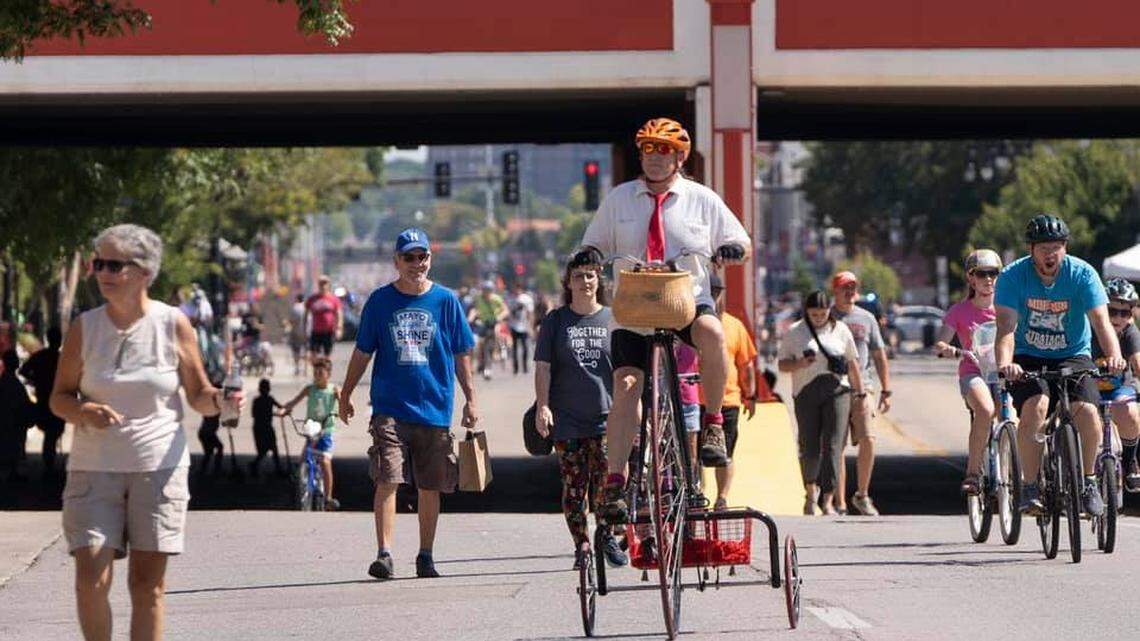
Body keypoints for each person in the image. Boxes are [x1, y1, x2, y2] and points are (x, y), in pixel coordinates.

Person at [49, 223, 239, 641]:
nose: (103, 272)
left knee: (146, 587)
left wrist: (223, 403)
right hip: (93, 470)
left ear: (145, 272)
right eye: (99, 263)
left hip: (159, 468)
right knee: (90, 576)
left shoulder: (173, 325)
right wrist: (84, 411)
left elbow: (199, 395)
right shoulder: (85, 327)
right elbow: (58, 398)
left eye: (114, 264)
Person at [576, 117, 750, 522]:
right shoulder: (619, 198)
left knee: (711, 332)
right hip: (634, 310)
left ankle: (711, 426)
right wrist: (588, 256)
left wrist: (729, 250)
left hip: (684, 302)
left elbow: (742, 241)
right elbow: (592, 243)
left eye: (664, 150)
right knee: (626, 386)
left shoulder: (701, 198)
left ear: (679, 157)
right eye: (648, 150)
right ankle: (616, 483)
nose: (654, 158)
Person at [338, 227, 477, 581]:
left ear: (430, 258)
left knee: (431, 485)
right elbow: (363, 351)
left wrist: (471, 400)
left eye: (423, 256)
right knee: (388, 478)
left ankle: (425, 555)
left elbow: (462, 353)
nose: (417, 263)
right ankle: (384, 554)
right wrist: (345, 392)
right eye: (409, 257)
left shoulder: (446, 301)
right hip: (390, 407)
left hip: (434, 406)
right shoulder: (380, 302)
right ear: (396, 262)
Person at [995, 214, 1125, 517]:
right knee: (1037, 405)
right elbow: (1006, 331)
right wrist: (1005, 364)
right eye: (1043, 248)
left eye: (1056, 247)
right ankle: (1030, 487)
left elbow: (1102, 323)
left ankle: (1089, 482)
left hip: (1074, 355)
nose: (1050, 254)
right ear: (1031, 250)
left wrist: (1114, 355)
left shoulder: (1082, 274)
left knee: (1089, 412)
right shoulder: (1013, 277)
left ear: (1065, 248)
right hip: (1028, 356)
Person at [534, 254, 628, 569]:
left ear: (599, 280)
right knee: (575, 488)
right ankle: (582, 546)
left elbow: (627, 366)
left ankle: (606, 536)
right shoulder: (556, 321)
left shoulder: (614, 319)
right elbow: (543, 367)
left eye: (590, 276)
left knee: (605, 485)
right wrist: (543, 406)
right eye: (578, 276)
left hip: (606, 418)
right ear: (568, 282)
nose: (585, 282)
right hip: (568, 420)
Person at [778, 291, 865, 515]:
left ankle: (828, 499)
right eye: (814, 314)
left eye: (822, 313)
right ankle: (810, 492)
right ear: (806, 312)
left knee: (834, 445)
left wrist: (861, 393)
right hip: (805, 391)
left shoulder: (841, 330)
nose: (818, 318)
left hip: (838, 390)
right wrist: (800, 363)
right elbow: (782, 365)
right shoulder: (795, 332)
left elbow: (852, 363)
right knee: (809, 445)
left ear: (829, 310)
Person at [934, 249, 1003, 495]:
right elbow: (940, 345)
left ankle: (1018, 474)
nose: (988, 279)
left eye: (994, 273)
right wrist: (955, 351)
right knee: (985, 410)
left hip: (1003, 372)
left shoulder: (1007, 308)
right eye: (982, 274)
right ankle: (973, 474)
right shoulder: (960, 311)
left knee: (1014, 418)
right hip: (973, 371)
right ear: (970, 278)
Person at [831, 271, 891, 516]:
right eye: (845, 287)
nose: (849, 292)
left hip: (863, 387)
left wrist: (886, 389)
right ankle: (839, 501)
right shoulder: (827, 316)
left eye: (853, 287)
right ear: (835, 290)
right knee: (837, 445)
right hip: (834, 386)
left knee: (868, 439)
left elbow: (878, 354)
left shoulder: (866, 318)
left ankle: (862, 494)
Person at [699, 273, 758, 510]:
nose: (713, 296)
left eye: (716, 292)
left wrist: (750, 394)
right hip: (697, 400)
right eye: (710, 291)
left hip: (729, 399)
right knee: (694, 455)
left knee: (725, 452)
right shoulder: (692, 325)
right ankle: (698, 493)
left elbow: (746, 365)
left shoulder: (734, 326)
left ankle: (722, 497)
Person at [1093, 278, 1140, 492]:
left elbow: (1138, 363)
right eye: (1112, 311)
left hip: (1119, 389)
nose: (1118, 318)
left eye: (1125, 313)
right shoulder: (1090, 328)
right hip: (1089, 389)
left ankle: (1130, 462)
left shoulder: (1130, 333)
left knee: (1129, 411)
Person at [282, 357, 340, 508]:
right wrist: (285, 409)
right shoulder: (309, 389)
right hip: (312, 429)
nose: (318, 374)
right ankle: (301, 483)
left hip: (326, 430)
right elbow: (293, 402)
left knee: (325, 462)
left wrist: (347, 408)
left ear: (328, 374)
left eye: (321, 372)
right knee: (303, 459)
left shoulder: (334, 389)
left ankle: (328, 497)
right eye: (316, 372)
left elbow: (344, 400)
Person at [19, 326, 65, 476]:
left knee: (50, 433)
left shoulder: (41, 356)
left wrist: (36, 380)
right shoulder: (61, 358)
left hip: (44, 399)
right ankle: (49, 465)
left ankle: (49, 463)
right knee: (52, 432)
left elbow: (23, 370)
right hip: (55, 399)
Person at [1, 350, 33, 482]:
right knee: (13, 446)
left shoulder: (6, 381)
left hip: (9, 420)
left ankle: (12, 472)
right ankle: (12, 473)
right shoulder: (12, 383)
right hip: (13, 421)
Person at [467, 280, 509, 380]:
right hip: (483, 323)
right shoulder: (478, 298)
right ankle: (480, 362)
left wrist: (499, 317)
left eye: (489, 290)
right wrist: (470, 319)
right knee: (477, 343)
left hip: (494, 322)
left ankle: (498, 351)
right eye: (485, 290)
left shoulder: (496, 299)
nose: (487, 292)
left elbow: (506, 310)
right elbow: (474, 310)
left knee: (496, 332)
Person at [675, 342, 702, 482]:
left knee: (690, 450)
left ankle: (692, 483)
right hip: (662, 397)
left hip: (688, 399)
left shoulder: (691, 337)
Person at [249, 378, 284, 477]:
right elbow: (254, 414)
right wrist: (272, 413)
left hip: (267, 428)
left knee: (273, 448)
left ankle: (277, 469)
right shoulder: (258, 400)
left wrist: (285, 410)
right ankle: (254, 466)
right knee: (263, 450)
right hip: (260, 428)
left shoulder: (270, 399)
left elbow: (280, 407)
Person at [305, 275, 343, 358]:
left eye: (325, 283)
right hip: (316, 331)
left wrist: (339, 329)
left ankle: (326, 370)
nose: (323, 286)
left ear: (328, 285)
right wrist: (305, 329)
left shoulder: (333, 299)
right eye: (321, 284)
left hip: (328, 331)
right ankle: (316, 370)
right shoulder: (312, 299)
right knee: (314, 356)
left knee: (327, 356)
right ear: (318, 285)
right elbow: (306, 314)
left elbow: (339, 314)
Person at [508, 281, 535, 375]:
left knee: (525, 347)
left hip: (524, 326)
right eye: (515, 288)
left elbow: (530, 313)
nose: (516, 290)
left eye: (518, 288)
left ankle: (525, 367)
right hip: (513, 326)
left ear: (521, 289)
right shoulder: (510, 298)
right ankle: (516, 368)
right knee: (514, 347)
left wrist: (530, 326)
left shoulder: (527, 299)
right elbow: (508, 312)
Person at [288, 293, 308, 376]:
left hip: (296, 332)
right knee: (306, 351)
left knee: (296, 351)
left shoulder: (295, 307)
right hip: (306, 332)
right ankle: (305, 369)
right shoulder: (307, 308)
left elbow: (292, 321)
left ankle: (297, 368)